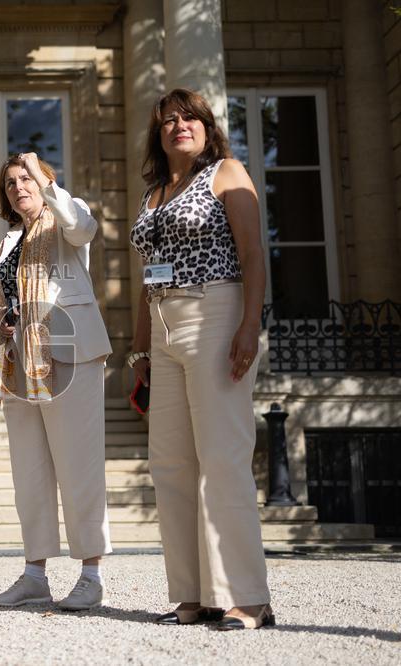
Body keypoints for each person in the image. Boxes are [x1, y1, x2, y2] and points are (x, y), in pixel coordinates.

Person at [128, 88, 272, 630]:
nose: (179, 125)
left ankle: (248, 597)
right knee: (171, 466)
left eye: (189, 117)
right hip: (164, 325)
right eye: (169, 120)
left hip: (216, 310)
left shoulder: (227, 173)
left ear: (207, 128)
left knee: (222, 460)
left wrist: (250, 324)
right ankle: (193, 595)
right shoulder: (154, 194)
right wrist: (140, 350)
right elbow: (148, 277)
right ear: (158, 134)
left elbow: (253, 251)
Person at [0, 152, 113, 611]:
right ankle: (35, 574)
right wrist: (1, 319)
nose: (19, 186)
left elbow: (83, 226)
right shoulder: (7, 241)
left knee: (79, 467)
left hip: (69, 354)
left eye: (27, 179)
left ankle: (91, 574)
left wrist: (40, 172)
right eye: (11, 182)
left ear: (44, 181)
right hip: (18, 361)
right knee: (30, 475)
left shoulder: (66, 219)